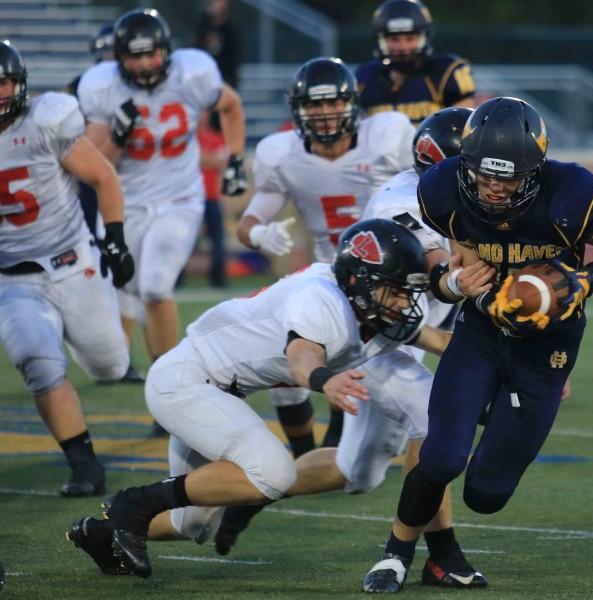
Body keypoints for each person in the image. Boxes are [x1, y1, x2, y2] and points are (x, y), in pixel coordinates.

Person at [66, 219, 449, 579]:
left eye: (407, 292)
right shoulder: (321, 297)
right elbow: (302, 357)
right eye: (395, 291)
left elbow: (441, 342)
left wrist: (499, 337)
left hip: (212, 391)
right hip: (186, 381)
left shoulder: (366, 301)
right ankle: (133, 503)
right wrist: (325, 381)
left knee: (192, 524)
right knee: (274, 473)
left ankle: (100, 534)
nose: (402, 303)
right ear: (357, 279)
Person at [360, 97, 593, 593]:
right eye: (484, 175)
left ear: (534, 170)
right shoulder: (443, 189)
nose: (493, 187)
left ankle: (498, 409)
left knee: (487, 494)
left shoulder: (570, 191)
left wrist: (586, 281)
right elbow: (457, 268)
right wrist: (461, 289)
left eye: (507, 178)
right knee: (442, 456)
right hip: (482, 330)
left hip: (548, 344)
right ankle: (396, 553)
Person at [215, 107, 487, 589]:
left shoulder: (476, 194)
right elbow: (437, 272)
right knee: (432, 421)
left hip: (430, 324)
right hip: (390, 328)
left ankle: (249, 492)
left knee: (353, 469)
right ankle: (436, 553)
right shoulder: (404, 199)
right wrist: (464, 283)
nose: (488, 179)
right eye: (477, 167)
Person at [237, 56, 414, 451]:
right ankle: (302, 454)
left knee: (384, 387)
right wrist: (260, 234)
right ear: (299, 110)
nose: (325, 113)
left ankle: (343, 442)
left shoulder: (388, 137)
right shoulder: (282, 154)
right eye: (314, 105)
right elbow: (246, 224)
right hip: (329, 278)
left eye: (333, 102)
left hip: (391, 280)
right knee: (284, 368)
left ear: (352, 103)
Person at [77, 9, 247, 394]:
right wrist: (118, 134)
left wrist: (235, 160)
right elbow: (93, 165)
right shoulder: (103, 88)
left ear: (167, 52)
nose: (144, 64)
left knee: (155, 287)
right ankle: (157, 373)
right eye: (134, 56)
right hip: (125, 202)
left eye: (150, 54)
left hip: (179, 198)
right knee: (132, 292)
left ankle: (174, 384)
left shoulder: (192, 73)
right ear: (119, 59)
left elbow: (230, 104)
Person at [0, 41, 135, 496]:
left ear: (20, 84)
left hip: (74, 264)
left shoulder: (45, 121)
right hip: (12, 279)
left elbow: (102, 177)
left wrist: (114, 239)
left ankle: (87, 344)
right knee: (39, 364)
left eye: (4, 82)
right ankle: (84, 465)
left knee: (110, 365)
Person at [66, 23, 145, 385]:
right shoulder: (86, 89)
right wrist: (117, 133)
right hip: (81, 190)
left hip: (126, 191)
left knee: (121, 277)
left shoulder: (150, 85)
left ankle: (118, 356)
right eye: (109, 55)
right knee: (89, 276)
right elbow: (93, 162)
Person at [356, 0, 476, 125]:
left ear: (424, 38)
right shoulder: (366, 77)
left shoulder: (445, 72)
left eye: (410, 38)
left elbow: (466, 126)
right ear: (381, 40)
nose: (403, 47)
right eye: (394, 39)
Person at [197, 110, 228, 288]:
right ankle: (177, 279)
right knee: (184, 239)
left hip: (211, 196)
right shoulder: (188, 139)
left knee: (217, 240)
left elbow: (220, 162)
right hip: (190, 197)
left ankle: (218, 278)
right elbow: (213, 160)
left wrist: (201, 158)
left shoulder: (215, 137)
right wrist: (209, 158)